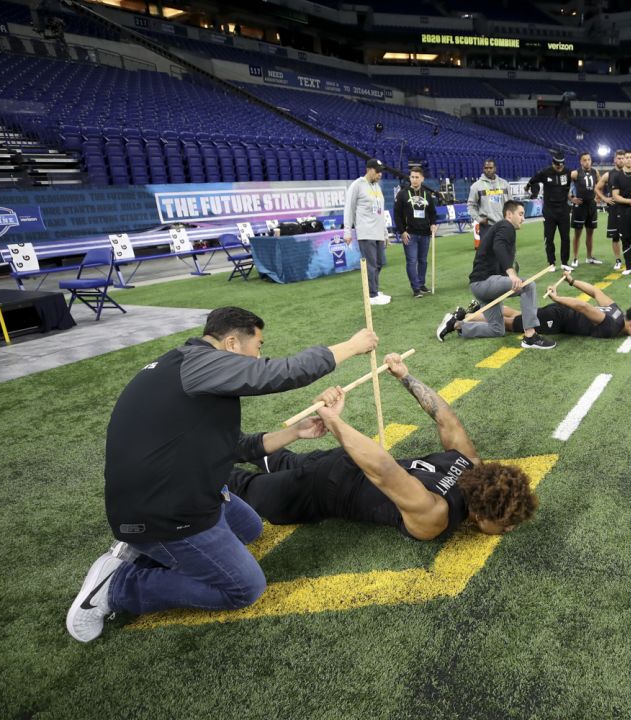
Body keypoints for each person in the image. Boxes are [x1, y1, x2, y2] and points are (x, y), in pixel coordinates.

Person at [65, 307, 378, 642]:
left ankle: (141, 548)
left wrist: (295, 433)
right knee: (244, 588)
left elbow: (233, 446)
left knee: (250, 527)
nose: (260, 358)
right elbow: (283, 373)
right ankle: (116, 587)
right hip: (164, 509)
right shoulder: (198, 364)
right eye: (258, 347)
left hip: (179, 489)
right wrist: (352, 345)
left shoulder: (190, 368)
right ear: (231, 343)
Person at [230, 354, 539, 540]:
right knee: (238, 486)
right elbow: (382, 470)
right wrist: (333, 421)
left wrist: (406, 377)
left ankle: (221, 444)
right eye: (506, 523)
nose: (508, 529)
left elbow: (446, 419)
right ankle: (196, 460)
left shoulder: (469, 463)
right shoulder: (437, 516)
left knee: (281, 461)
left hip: (343, 461)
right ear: (484, 515)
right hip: (322, 490)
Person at [436, 200, 555, 349]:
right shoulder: (506, 226)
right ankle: (530, 337)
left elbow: (498, 252)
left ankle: (457, 325)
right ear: (509, 214)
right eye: (521, 214)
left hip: (482, 286)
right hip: (484, 283)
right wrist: (511, 273)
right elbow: (499, 247)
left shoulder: (502, 228)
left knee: (497, 329)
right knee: (528, 286)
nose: (523, 218)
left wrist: (510, 272)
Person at [476, 270, 631, 339]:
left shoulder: (617, 312)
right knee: (510, 324)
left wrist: (572, 281)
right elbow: (583, 306)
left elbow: (596, 292)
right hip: (557, 318)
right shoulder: (612, 326)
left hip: (558, 314)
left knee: (518, 314)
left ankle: (482, 309)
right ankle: (469, 319)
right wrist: (557, 298)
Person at [344, 158, 392, 305]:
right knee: (371, 264)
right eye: (377, 171)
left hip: (378, 232)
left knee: (379, 263)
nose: (380, 174)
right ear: (369, 170)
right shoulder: (357, 185)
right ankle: (371, 295)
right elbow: (349, 208)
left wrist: (385, 234)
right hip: (365, 232)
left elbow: (380, 212)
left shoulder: (377, 187)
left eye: (381, 172)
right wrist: (347, 231)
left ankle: (374, 289)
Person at [393, 166, 440, 298]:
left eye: (417, 177)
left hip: (425, 234)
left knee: (423, 261)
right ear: (410, 178)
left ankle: (421, 284)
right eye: (412, 177)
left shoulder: (427, 195)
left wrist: (433, 224)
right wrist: (402, 231)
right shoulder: (402, 194)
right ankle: (416, 289)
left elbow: (432, 213)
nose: (414, 180)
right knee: (412, 261)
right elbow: (397, 215)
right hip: (410, 234)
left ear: (422, 178)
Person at [527, 152, 574, 270]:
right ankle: (551, 263)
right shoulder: (544, 172)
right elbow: (532, 181)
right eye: (557, 165)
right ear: (553, 163)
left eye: (561, 165)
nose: (559, 167)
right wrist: (530, 189)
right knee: (549, 238)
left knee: (565, 237)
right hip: (549, 211)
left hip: (563, 210)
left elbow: (572, 186)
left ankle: (564, 263)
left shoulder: (568, 172)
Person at [610, 150, 631, 277]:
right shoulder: (617, 176)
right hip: (623, 211)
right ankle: (628, 266)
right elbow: (615, 196)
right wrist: (630, 201)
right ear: (622, 159)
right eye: (626, 157)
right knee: (626, 239)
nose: (629, 159)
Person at [594, 150, 626, 270]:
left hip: (628, 208)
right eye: (619, 158)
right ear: (614, 160)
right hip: (613, 209)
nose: (621, 160)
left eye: (623, 158)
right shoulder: (608, 175)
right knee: (615, 237)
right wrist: (604, 198)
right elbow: (597, 188)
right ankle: (618, 260)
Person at [467, 158, 510, 249]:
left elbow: (510, 204)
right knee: (489, 256)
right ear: (483, 169)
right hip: (487, 227)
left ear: (495, 168)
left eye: (491, 167)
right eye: (486, 168)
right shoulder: (476, 186)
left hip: (503, 225)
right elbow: (471, 206)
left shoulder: (504, 184)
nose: (488, 170)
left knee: (505, 253)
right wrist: (479, 219)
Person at [569, 152, 602, 267]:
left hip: (591, 206)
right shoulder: (575, 173)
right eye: (584, 160)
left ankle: (589, 257)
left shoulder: (595, 172)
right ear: (581, 161)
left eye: (589, 159)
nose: (587, 161)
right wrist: (571, 198)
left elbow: (600, 184)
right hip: (580, 206)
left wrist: (598, 196)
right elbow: (564, 185)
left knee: (590, 233)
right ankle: (575, 258)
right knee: (577, 233)